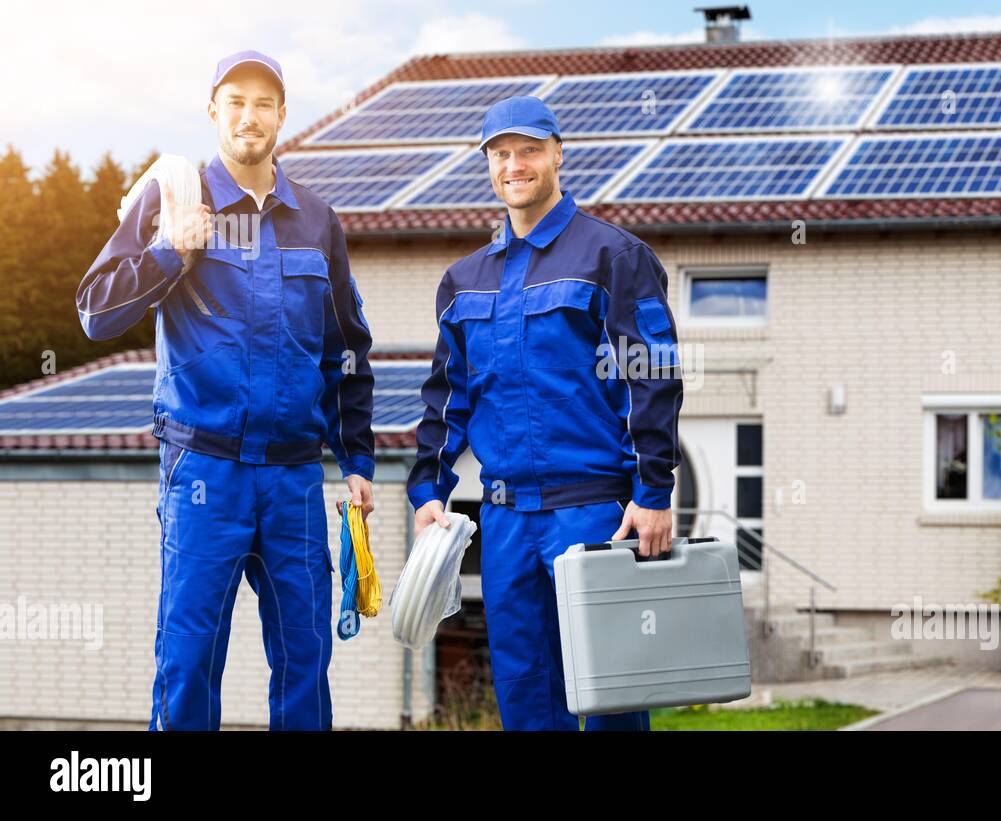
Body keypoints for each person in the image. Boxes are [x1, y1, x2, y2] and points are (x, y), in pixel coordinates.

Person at [75, 50, 376, 731]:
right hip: (204, 472)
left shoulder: (317, 221)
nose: (249, 115)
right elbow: (95, 311)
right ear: (214, 110)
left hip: (296, 478)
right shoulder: (173, 197)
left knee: (306, 664)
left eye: (263, 103)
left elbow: (347, 349)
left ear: (281, 116)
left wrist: (356, 459)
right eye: (235, 101)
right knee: (187, 665)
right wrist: (167, 253)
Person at [407, 96, 684, 731]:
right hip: (504, 522)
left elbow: (654, 378)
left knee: (611, 696)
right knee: (527, 701)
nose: (514, 164)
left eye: (529, 149)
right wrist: (428, 488)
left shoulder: (613, 256)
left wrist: (654, 490)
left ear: (558, 153)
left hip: (593, 514)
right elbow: (447, 395)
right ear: (487, 165)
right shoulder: (464, 280)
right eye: (500, 153)